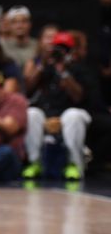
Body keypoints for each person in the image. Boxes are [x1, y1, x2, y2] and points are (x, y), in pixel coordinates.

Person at [23, 31, 92, 181]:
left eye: (65, 49)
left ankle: (73, 164)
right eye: (57, 48)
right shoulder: (44, 67)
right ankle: (35, 162)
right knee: (31, 113)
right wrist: (42, 65)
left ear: (72, 51)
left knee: (73, 115)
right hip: (46, 113)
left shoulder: (80, 68)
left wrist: (63, 72)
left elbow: (79, 97)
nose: (61, 52)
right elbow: (27, 90)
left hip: (73, 114)